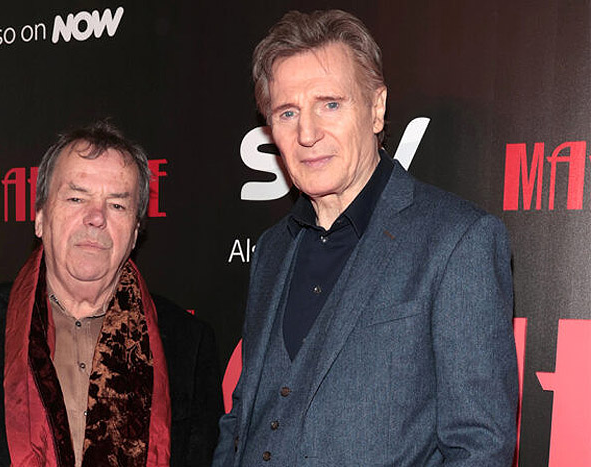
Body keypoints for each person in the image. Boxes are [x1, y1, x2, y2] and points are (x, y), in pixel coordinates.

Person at [213, 9, 518, 466]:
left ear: (376, 109)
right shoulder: (273, 249)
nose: (308, 133)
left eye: (330, 104)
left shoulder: (458, 241)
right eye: (288, 112)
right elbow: (243, 421)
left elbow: (480, 448)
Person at [0, 121, 221, 467]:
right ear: (40, 217)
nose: (96, 218)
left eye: (117, 205)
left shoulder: (188, 344)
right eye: (76, 198)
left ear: (136, 232)